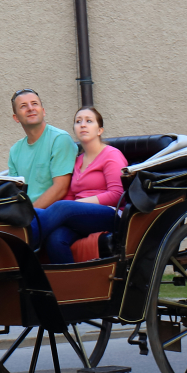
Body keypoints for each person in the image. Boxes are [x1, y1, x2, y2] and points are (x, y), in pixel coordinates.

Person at [32, 106, 128, 263]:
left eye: (89, 121)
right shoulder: (76, 161)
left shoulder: (111, 155)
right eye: (78, 121)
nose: (83, 125)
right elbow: (69, 195)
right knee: (55, 239)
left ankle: (23, 242)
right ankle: (69, 286)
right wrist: (73, 206)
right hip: (77, 216)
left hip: (110, 214)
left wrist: (78, 204)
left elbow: (117, 195)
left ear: (99, 130)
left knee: (61, 207)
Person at [7, 88, 76, 210]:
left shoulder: (60, 139)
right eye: (23, 106)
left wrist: (29, 215)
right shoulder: (15, 150)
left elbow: (60, 188)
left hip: (53, 213)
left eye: (35, 104)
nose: (30, 108)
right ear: (16, 117)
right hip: (26, 215)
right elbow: (14, 193)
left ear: (43, 111)